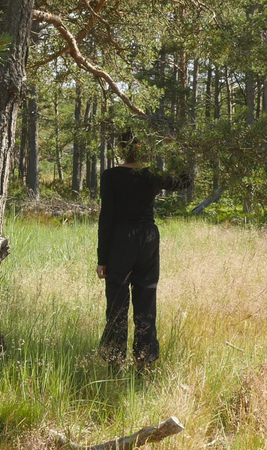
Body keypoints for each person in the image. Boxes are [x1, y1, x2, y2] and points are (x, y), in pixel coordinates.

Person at [95, 138, 190, 370]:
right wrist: (175, 150)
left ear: (121, 149)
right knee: (146, 298)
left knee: (117, 302)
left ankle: (115, 361)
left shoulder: (111, 176)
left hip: (120, 240)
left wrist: (102, 258)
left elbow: (106, 218)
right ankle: (144, 361)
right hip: (148, 238)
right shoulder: (152, 175)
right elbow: (184, 181)